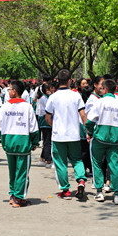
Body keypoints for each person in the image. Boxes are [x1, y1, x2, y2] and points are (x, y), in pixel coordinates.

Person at [0, 80, 39, 208]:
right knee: (22, 172)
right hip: (23, 142)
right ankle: (18, 198)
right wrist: (35, 142)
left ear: (14, 91)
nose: (8, 91)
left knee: (12, 171)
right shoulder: (28, 107)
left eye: (9, 89)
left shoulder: (4, 107)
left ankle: (13, 194)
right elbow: (33, 127)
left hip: (8, 142)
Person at [45, 69, 87, 200]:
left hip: (58, 136)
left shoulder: (53, 97)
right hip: (74, 135)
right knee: (77, 160)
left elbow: (47, 117)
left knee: (61, 163)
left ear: (58, 81)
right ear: (70, 81)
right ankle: (81, 180)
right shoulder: (76, 96)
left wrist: (55, 126)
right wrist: (88, 131)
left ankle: (66, 191)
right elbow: (83, 115)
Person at [85, 79, 118, 204]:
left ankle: (99, 192)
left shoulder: (99, 102)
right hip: (115, 140)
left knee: (97, 163)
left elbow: (90, 121)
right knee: (115, 165)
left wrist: (90, 133)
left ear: (104, 89)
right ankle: (117, 194)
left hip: (100, 139)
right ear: (115, 89)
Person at [35, 83, 54, 168]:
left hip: (44, 122)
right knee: (47, 142)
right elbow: (49, 109)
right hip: (45, 122)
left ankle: (41, 159)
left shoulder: (44, 98)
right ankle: (48, 161)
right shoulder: (44, 99)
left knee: (46, 141)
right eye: (51, 89)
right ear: (47, 90)